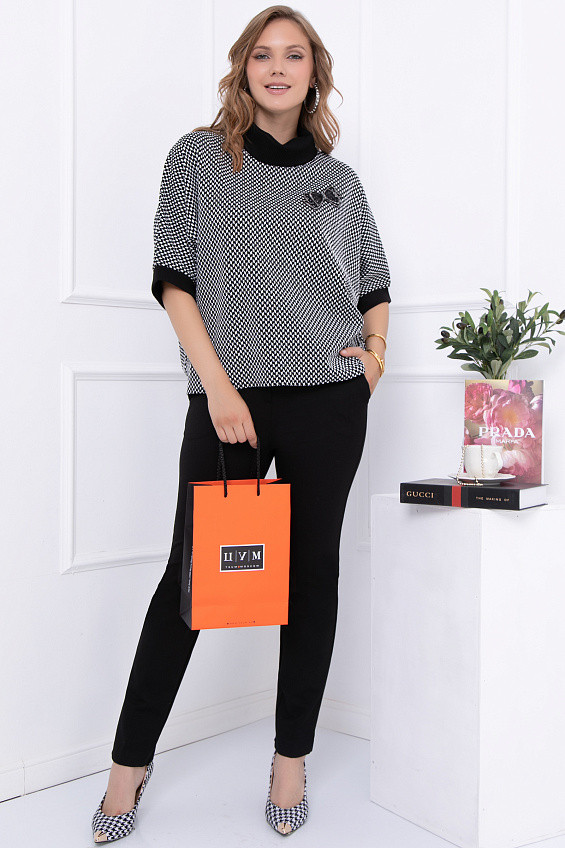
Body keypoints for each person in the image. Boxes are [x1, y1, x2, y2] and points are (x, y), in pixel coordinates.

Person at [91, 5, 390, 842]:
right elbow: (173, 281)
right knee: (190, 584)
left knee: (311, 579)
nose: (277, 68)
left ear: (313, 72)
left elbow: (373, 284)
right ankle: (127, 766)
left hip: (328, 402)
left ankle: (290, 761)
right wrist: (219, 390)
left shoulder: (338, 180)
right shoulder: (196, 157)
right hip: (228, 405)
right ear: (243, 68)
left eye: (294, 55)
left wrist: (370, 362)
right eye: (262, 54)